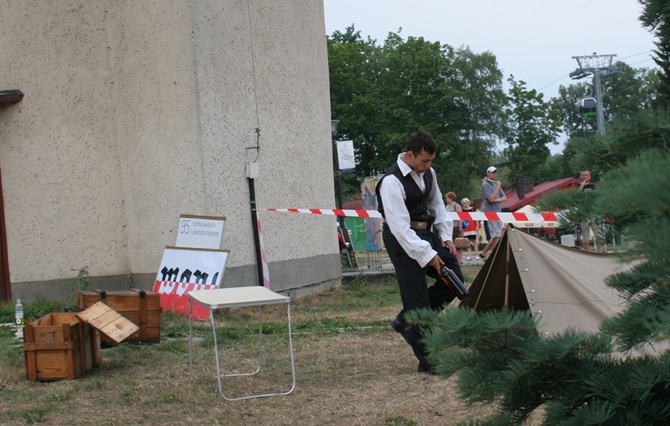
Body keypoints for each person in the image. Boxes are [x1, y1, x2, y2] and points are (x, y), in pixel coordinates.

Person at [377, 130, 463, 375]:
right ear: (411, 154)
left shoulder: (429, 173)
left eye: (431, 160)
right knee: (417, 299)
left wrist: (445, 237)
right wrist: (426, 255)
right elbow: (400, 228)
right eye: (425, 160)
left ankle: (406, 320)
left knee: (455, 281)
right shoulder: (391, 182)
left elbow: (437, 205)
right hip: (401, 241)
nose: (429, 165)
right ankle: (428, 361)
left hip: (428, 234)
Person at [480, 166, 506, 259]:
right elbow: (490, 199)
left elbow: (504, 197)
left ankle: (483, 253)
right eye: (492, 172)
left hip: (497, 212)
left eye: (495, 172)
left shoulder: (495, 184)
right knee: (498, 236)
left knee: (496, 235)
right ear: (488, 173)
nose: (494, 174)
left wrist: (496, 200)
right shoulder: (485, 185)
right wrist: (498, 187)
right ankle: (494, 256)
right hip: (491, 213)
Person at [578, 169, 600, 251]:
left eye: (586, 175)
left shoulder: (594, 187)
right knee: (585, 238)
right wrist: (582, 185)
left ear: (590, 176)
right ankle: (586, 253)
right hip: (584, 215)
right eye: (583, 175)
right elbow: (576, 195)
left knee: (599, 236)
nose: (585, 177)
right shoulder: (578, 187)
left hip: (594, 214)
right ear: (581, 177)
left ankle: (600, 253)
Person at [444, 191, 463, 263]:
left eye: (447, 198)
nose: (446, 199)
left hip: (456, 226)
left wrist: (460, 226)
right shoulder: (447, 207)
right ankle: (452, 258)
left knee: (457, 243)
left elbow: (461, 217)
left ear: (451, 198)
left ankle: (459, 259)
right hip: (449, 227)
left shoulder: (457, 206)